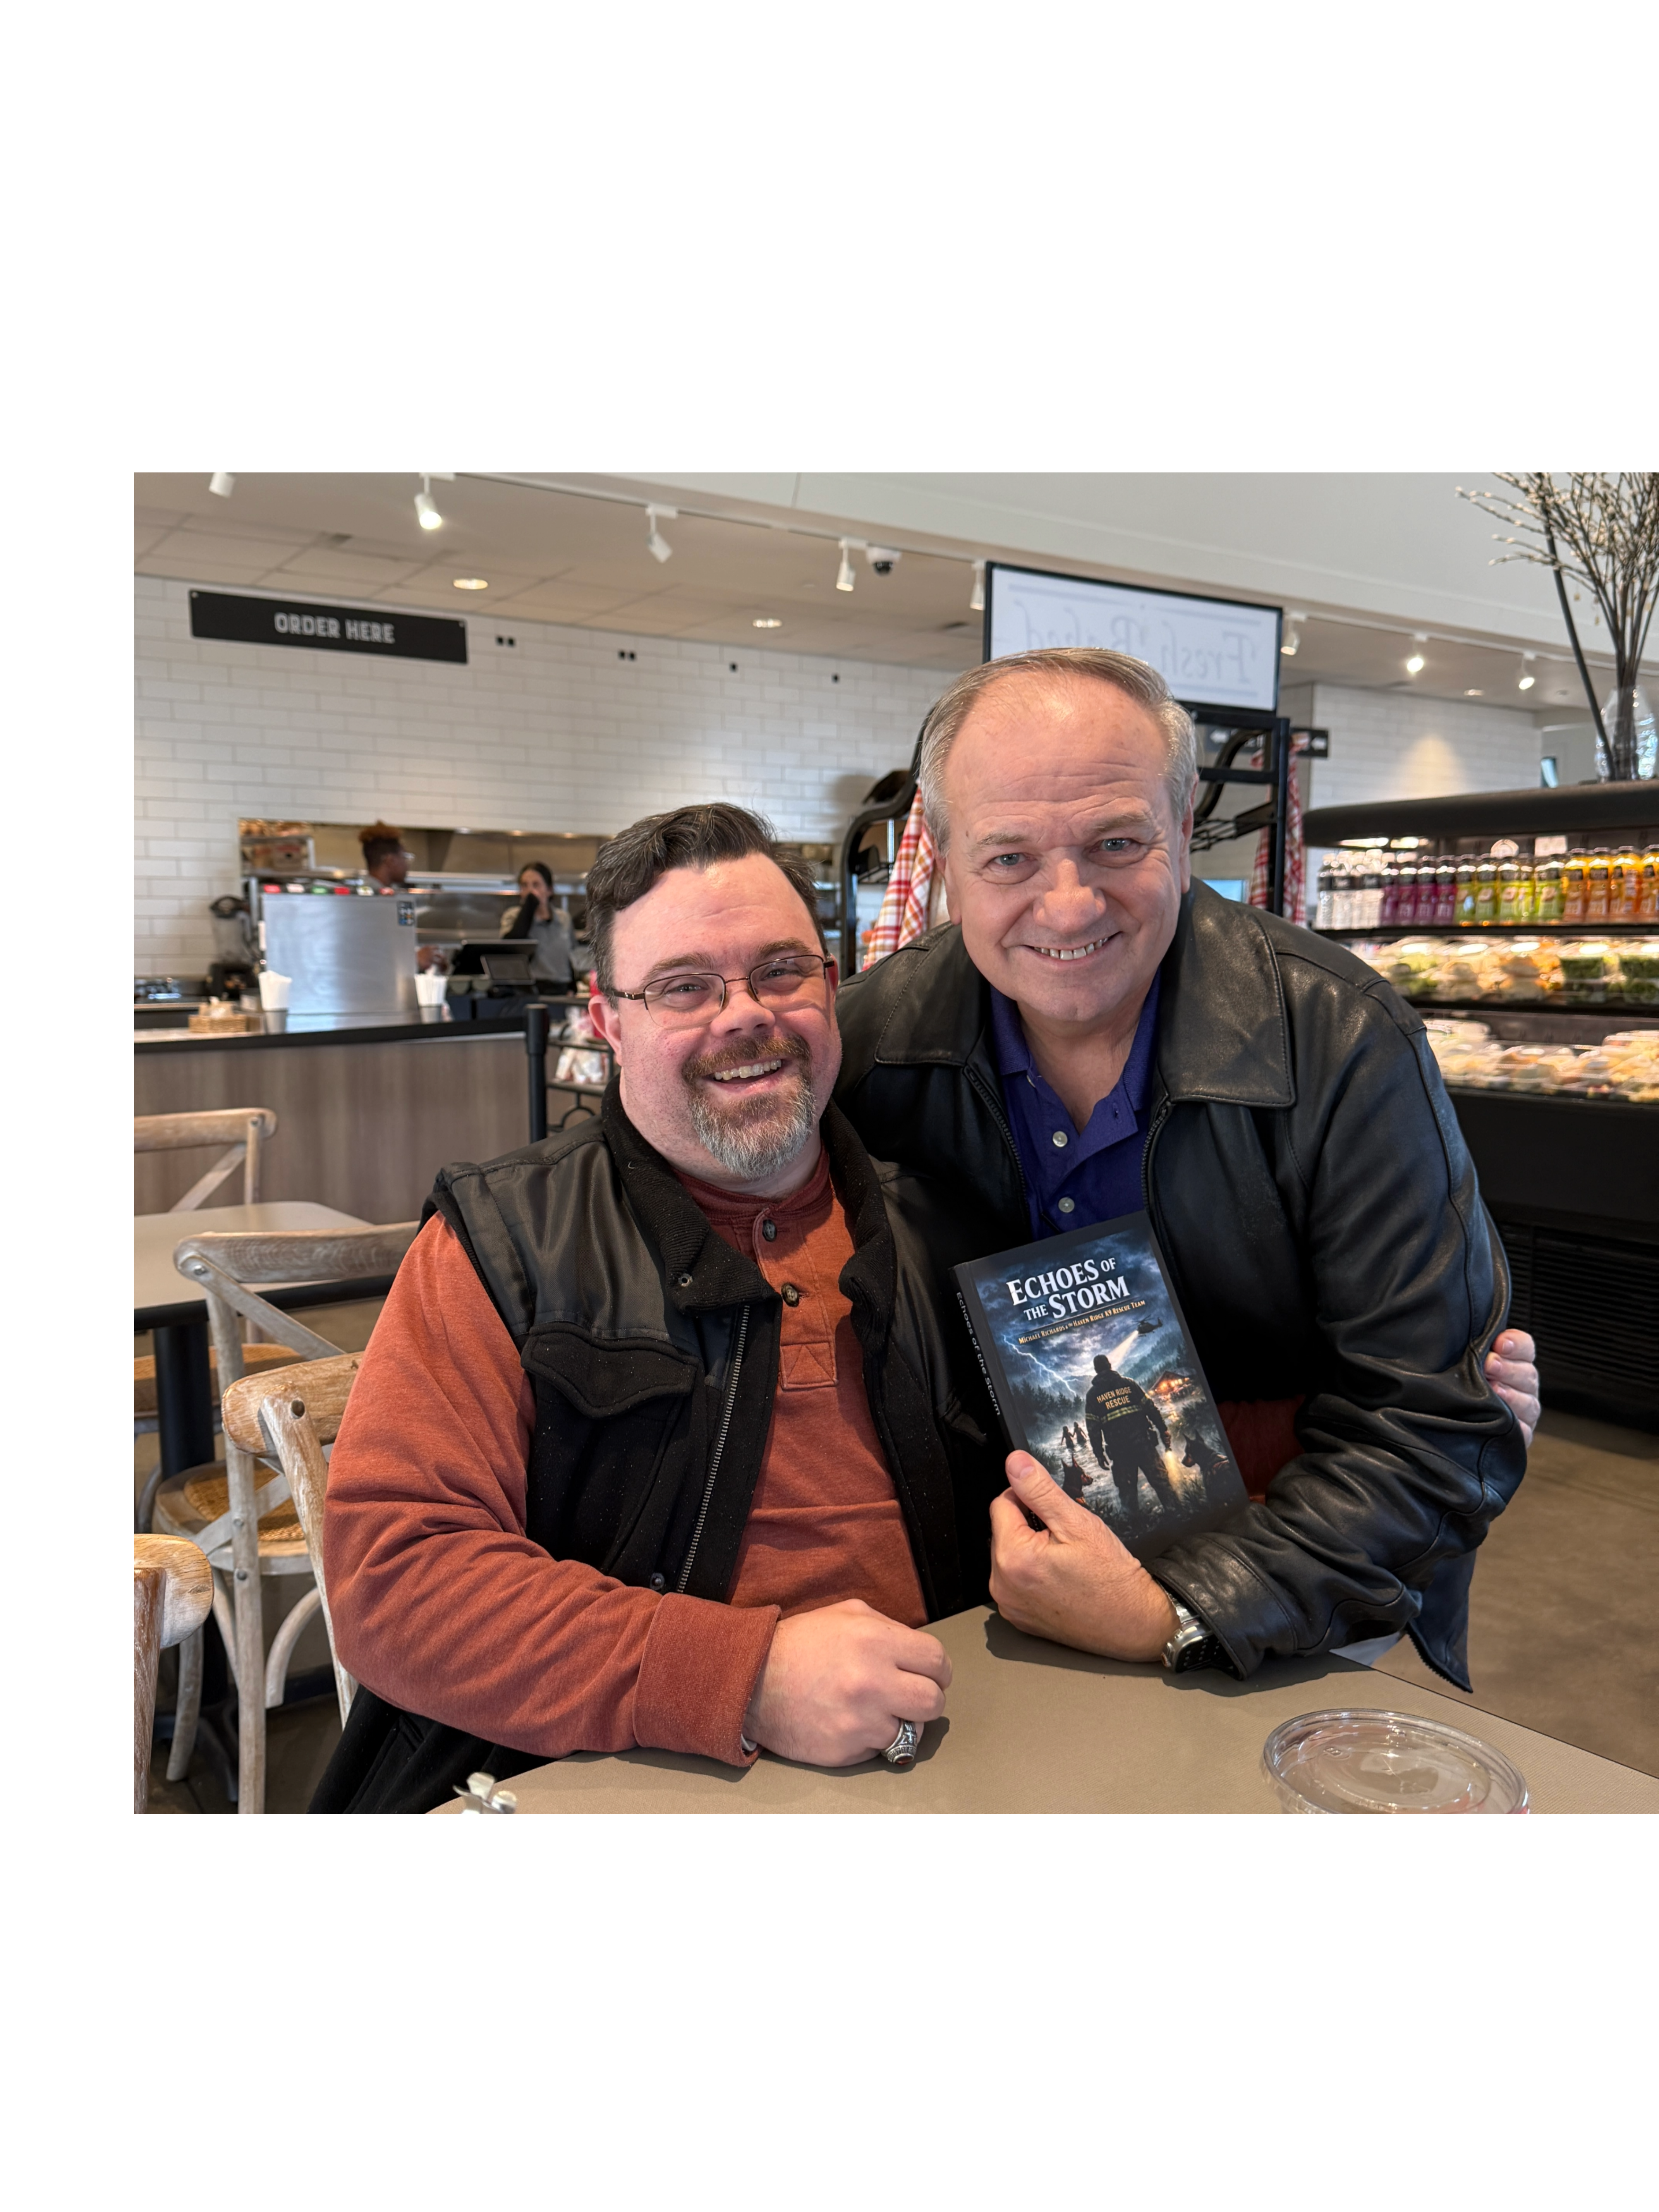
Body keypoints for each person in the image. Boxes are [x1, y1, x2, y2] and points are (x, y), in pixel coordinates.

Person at [835, 646, 1539, 1688]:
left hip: (1301, 1582)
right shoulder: (873, 1044)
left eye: (1116, 843)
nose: (1067, 907)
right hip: (988, 1591)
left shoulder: (1339, 1040)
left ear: (1180, 829)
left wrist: (1169, 1608)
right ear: (938, 854)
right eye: (1009, 858)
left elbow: (1427, 1430)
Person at [313, 805, 1004, 1813]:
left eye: (780, 971)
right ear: (607, 1017)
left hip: (949, 1759)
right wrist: (744, 1679)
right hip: (608, 1778)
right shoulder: (505, 1243)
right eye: (685, 986)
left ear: (830, 986)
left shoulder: (944, 1226)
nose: (744, 1015)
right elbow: (396, 1583)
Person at [1084, 1351, 1177, 1516]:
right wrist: (1163, 1430)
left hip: (1120, 1453)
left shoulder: (1092, 1396)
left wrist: (1099, 1454)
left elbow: (1094, 1429)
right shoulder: (1130, 1384)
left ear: (1096, 1370)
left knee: (1127, 1491)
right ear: (1110, 1366)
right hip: (1144, 1445)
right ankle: (1178, 1514)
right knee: (1161, 1482)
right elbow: (1151, 1409)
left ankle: (1136, 1529)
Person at [504, 860, 577, 990]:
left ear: (549, 890)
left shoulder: (563, 919)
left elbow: (570, 956)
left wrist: (573, 986)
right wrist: (529, 908)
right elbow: (511, 946)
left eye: (536, 885)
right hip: (530, 989)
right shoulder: (512, 916)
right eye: (525, 886)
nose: (530, 891)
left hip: (560, 988)